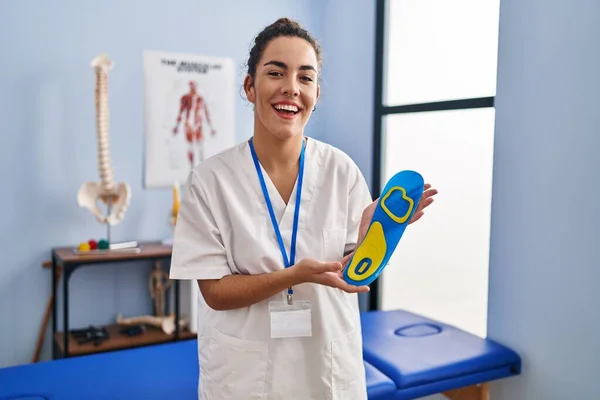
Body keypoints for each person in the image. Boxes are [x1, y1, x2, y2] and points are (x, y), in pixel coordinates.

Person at [169, 17, 437, 400]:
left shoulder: (341, 170)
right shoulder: (210, 181)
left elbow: (354, 277)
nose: (291, 89)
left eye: (306, 77)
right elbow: (215, 292)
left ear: (316, 92)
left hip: (325, 371)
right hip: (244, 377)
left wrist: (370, 241)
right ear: (249, 86)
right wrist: (294, 275)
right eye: (276, 72)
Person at [173, 80, 216, 167]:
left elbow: (206, 113)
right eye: (191, 86)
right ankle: (192, 168)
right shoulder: (185, 98)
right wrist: (176, 126)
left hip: (198, 124)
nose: (193, 88)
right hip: (189, 124)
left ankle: (201, 167)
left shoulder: (200, 99)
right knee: (190, 146)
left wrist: (211, 127)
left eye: (194, 86)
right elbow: (181, 112)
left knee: (200, 145)